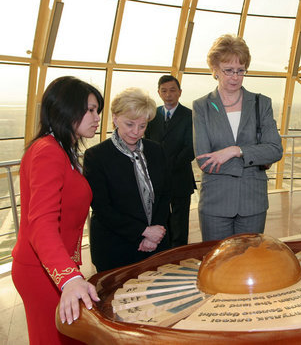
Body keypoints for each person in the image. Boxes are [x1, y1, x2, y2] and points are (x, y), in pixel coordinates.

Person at [11, 76, 103, 344]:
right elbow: (41, 222)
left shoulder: (62, 149)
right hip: (41, 270)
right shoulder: (48, 152)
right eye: (90, 109)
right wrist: (68, 278)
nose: (97, 117)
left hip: (56, 266)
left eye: (97, 109)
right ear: (66, 109)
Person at [193, 34, 283, 241]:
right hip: (216, 202)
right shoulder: (202, 106)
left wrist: (235, 151)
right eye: (228, 71)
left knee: (249, 262)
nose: (235, 77)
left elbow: (275, 150)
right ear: (214, 69)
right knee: (216, 264)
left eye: (240, 71)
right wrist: (255, 159)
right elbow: (205, 161)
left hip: (253, 202)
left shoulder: (262, 104)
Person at [83, 88, 171, 272]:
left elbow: (164, 194)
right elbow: (102, 208)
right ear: (115, 118)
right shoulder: (96, 156)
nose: (136, 132)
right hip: (116, 248)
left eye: (142, 126)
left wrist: (155, 233)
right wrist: (143, 232)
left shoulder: (156, 150)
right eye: (129, 124)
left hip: (157, 244)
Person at [145, 75, 196, 248]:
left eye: (173, 90)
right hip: (157, 179)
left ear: (180, 92)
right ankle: (165, 252)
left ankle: (179, 252)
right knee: (161, 217)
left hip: (180, 176)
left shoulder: (190, 115)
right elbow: (146, 143)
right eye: (164, 91)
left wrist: (167, 166)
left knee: (180, 220)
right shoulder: (152, 116)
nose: (168, 95)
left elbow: (191, 148)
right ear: (158, 93)